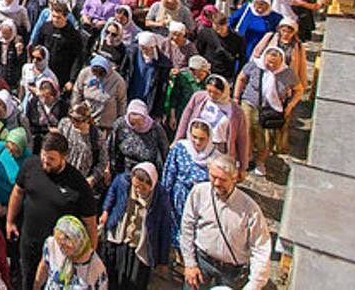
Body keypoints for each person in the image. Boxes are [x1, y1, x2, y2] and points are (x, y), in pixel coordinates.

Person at [7, 131, 98, 290]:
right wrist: (10, 221)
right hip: (29, 242)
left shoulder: (78, 185)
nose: (45, 163)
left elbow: (90, 224)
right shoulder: (30, 165)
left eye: (51, 159)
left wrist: (86, 259)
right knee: (27, 280)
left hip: (60, 252)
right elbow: (18, 192)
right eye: (43, 157)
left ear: (64, 158)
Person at [179, 154, 271, 290]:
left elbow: (261, 246)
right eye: (213, 177)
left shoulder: (249, 208)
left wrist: (254, 285)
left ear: (234, 179)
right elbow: (187, 227)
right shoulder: (199, 192)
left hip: (231, 272)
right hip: (202, 262)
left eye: (222, 179)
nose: (216, 183)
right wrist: (190, 263)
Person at [99, 162, 171, 290]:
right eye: (136, 186)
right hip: (120, 239)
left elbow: (164, 228)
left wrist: (163, 260)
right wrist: (106, 211)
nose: (138, 191)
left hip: (140, 246)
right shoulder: (123, 181)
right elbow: (112, 192)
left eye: (143, 188)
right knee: (114, 276)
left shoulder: (160, 196)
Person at [234, 45, 302, 176]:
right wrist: (237, 97)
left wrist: (290, 105)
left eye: (274, 63)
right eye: (268, 61)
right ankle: (245, 158)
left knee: (264, 138)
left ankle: (260, 161)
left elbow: (299, 90)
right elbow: (242, 78)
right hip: (250, 103)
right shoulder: (254, 66)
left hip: (271, 109)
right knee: (246, 133)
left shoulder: (287, 73)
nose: (270, 65)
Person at [162, 119, 215, 250]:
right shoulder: (180, 148)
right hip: (179, 197)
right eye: (194, 137)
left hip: (201, 202)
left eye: (202, 139)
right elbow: (169, 172)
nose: (197, 142)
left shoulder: (215, 157)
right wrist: (165, 197)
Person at [34, 215, 108, 290]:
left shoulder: (96, 266)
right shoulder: (52, 244)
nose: (62, 249)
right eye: (60, 245)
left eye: (67, 247)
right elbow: (43, 268)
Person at [109, 99, 169, 177]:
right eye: (132, 123)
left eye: (139, 124)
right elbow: (111, 148)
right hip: (124, 169)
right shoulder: (120, 124)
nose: (136, 127)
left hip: (146, 172)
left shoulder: (156, 129)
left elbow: (165, 152)